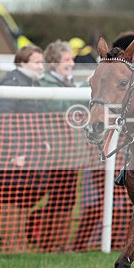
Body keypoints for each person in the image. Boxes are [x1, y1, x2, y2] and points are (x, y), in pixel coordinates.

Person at [0, 45, 49, 252]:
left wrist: (43, 142)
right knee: (11, 201)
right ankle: (9, 243)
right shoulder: (12, 82)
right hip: (14, 155)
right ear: (22, 63)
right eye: (36, 62)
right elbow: (5, 120)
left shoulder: (34, 84)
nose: (40, 66)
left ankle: (19, 242)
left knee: (24, 200)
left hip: (32, 154)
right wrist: (16, 152)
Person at [37, 40, 83, 252]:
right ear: (54, 62)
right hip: (55, 153)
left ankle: (61, 243)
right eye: (67, 59)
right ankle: (52, 243)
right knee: (57, 200)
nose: (72, 63)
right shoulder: (46, 83)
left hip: (69, 153)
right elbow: (61, 106)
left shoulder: (67, 82)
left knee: (67, 199)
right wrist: (84, 88)